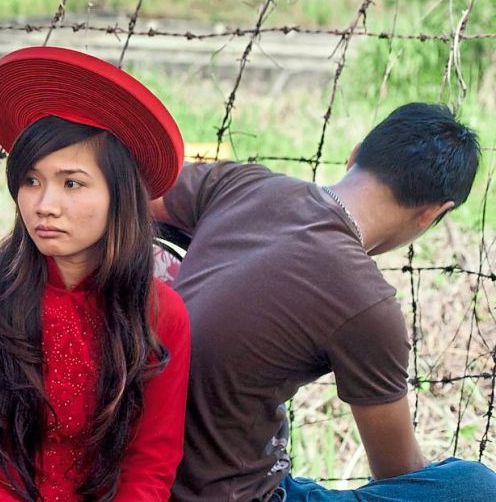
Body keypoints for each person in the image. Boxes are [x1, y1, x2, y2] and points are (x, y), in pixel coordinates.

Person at [154, 102, 496, 502]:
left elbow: (127, 198)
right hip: (225, 495)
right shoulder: (368, 304)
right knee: (471, 487)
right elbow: (396, 471)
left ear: (354, 154)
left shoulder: (242, 183)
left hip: (130, 464)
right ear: (432, 214)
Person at [0, 46, 191, 502]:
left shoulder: (160, 314)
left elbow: (150, 468)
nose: (44, 205)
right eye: (31, 181)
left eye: (72, 183)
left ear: (119, 196)